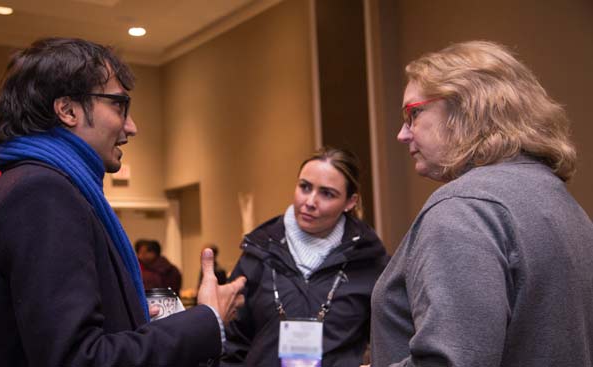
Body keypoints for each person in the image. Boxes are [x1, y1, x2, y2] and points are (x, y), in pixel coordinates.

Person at [0, 37, 245, 367]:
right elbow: (79, 359)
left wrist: (131, 322)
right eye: (119, 105)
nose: (131, 127)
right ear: (68, 110)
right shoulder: (43, 194)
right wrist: (206, 320)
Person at [369, 41, 593, 366]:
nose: (402, 134)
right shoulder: (565, 205)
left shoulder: (463, 209)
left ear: (467, 106)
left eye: (413, 113)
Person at [221, 147, 389, 367]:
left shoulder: (370, 262)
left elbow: (389, 342)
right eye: (305, 187)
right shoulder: (259, 252)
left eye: (327, 193)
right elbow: (232, 344)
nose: (310, 201)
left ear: (350, 202)